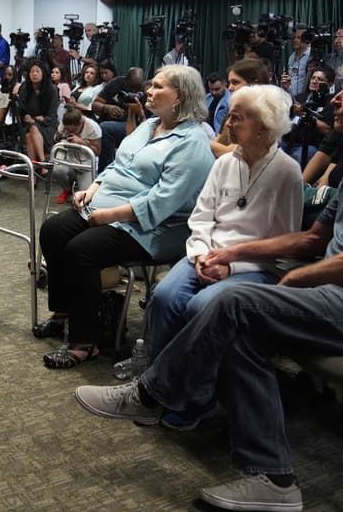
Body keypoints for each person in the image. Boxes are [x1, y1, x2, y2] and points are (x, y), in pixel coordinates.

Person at [74, 53, 343, 512]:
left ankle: (153, 393)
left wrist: (291, 279)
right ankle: (273, 478)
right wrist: (233, 253)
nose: (336, 97)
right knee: (240, 330)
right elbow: (313, 237)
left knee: (236, 303)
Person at [112, 86, 302, 430]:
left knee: (202, 308)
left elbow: (282, 244)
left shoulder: (287, 172)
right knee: (165, 297)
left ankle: (197, 398)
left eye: (238, 117)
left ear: (264, 127)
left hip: (254, 268)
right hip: (206, 253)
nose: (228, 122)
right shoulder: (225, 163)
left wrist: (232, 265)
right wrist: (201, 256)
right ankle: (157, 393)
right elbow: (200, 218)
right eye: (230, 113)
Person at [36, 65, 215, 366]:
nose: (149, 90)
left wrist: (108, 215)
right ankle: (64, 313)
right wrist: (92, 187)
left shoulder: (193, 144)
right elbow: (119, 165)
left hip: (155, 227)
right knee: (53, 231)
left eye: (158, 87)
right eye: (151, 85)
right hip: (109, 207)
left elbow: (161, 202)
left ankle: (85, 341)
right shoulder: (149, 126)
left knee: (82, 250)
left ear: (179, 96)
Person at [210, 58, 271, 159]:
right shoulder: (233, 110)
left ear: (254, 84)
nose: (230, 88)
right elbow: (220, 140)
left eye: (235, 82)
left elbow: (231, 152)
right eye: (229, 83)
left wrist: (199, 140)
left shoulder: (262, 117)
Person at [92, 65, 146, 170]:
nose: (133, 90)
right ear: (126, 80)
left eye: (137, 88)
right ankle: (105, 168)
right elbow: (95, 104)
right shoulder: (116, 83)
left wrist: (139, 112)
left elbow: (147, 120)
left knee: (106, 128)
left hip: (133, 125)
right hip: (109, 120)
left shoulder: (146, 90)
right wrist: (107, 108)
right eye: (131, 87)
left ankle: (106, 170)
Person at [281, 66, 335, 166]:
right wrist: (286, 90)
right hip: (286, 140)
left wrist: (305, 114)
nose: (314, 81)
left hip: (309, 144)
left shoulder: (330, 103)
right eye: (313, 78)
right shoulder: (301, 97)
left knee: (293, 165)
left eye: (320, 79)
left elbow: (327, 129)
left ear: (329, 84)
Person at [51, 106, 102, 204]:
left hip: (85, 163)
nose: (70, 132)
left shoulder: (93, 127)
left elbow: (97, 151)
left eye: (72, 131)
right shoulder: (65, 122)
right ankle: (67, 189)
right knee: (56, 169)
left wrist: (82, 142)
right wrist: (60, 136)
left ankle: (78, 185)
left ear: (81, 123)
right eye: (68, 130)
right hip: (68, 157)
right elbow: (56, 136)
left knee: (86, 198)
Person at [13, 59, 59, 165]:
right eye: (32, 72)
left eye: (37, 71)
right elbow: (21, 109)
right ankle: (37, 167)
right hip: (29, 123)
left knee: (32, 131)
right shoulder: (24, 88)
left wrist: (43, 119)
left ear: (43, 73)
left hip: (48, 124)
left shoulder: (52, 89)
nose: (34, 74)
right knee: (30, 132)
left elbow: (52, 113)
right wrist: (26, 115)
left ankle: (39, 164)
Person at [282, 30, 311, 99]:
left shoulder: (311, 56)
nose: (295, 40)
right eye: (294, 37)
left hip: (303, 99)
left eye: (299, 38)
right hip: (289, 97)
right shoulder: (291, 56)